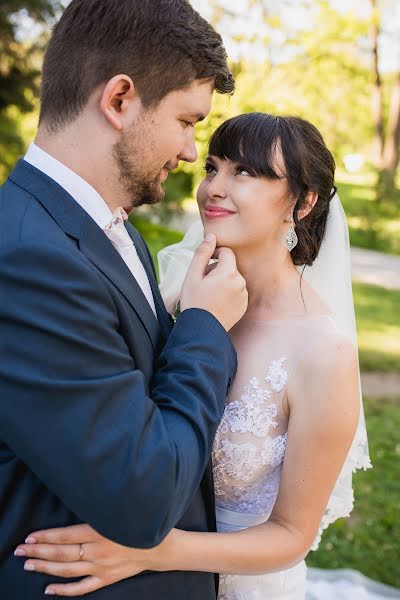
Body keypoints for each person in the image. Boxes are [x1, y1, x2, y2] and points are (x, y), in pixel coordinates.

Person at [14, 113, 381, 599]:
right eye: (213, 167)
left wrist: (150, 551)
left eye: (245, 172)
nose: (214, 188)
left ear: (304, 201)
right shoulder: (178, 298)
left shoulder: (322, 352)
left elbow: (291, 535)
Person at [0, 1, 250, 598]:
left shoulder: (117, 231)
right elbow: (144, 495)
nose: (192, 152)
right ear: (119, 100)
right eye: (188, 121)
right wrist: (204, 325)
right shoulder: (27, 258)